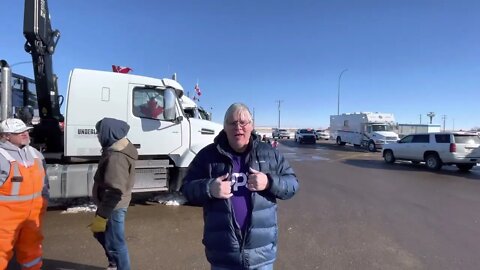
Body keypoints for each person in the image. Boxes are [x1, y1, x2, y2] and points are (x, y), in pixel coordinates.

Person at [181, 103, 299, 270]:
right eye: (232, 123)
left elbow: (292, 184)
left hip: (261, 256)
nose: (238, 127)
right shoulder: (207, 156)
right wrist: (209, 188)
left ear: (251, 126)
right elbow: (186, 189)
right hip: (223, 256)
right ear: (224, 127)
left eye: (243, 122)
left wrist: (269, 182)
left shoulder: (269, 154)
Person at [89, 117, 138, 270]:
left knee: (116, 243)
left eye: (99, 132)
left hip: (113, 206)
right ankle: (114, 263)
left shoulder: (116, 157)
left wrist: (102, 216)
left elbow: (115, 190)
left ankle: (119, 265)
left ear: (109, 133)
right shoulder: (113, 149)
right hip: (108, 205)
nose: (97, 135)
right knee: (100, 234)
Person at [0, 118, 49, 270]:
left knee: (32, 252)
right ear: (6, 136)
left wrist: (44, 201)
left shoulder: (35, 154)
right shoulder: (1, 157)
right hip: (6, 218)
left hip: (32, 217)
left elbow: (45, 183)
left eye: (26, 131)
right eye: (19, 132)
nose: (25, 134)